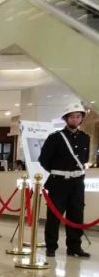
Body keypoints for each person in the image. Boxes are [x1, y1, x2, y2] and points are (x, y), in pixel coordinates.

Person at [38, 103, 91, 258]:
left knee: (76, 214)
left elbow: (84, 159)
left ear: (81, 118)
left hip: (77, 183)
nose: (75, 119)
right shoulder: (55, 138)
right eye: (72, 117)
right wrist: (58, 172)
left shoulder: (85, 138)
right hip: (58, 183)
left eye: (78, 116)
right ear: (66, 118)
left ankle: (74, 247)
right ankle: (51, 246)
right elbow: (44, 159)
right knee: (54, 217)